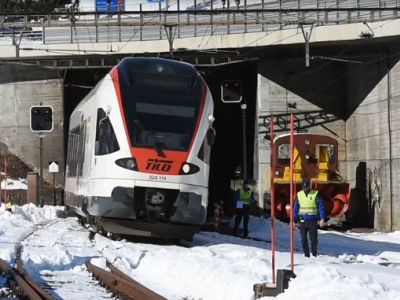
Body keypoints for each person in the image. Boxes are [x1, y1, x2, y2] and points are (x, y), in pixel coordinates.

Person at [293, 178, 326, 257]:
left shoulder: (315, 194)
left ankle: (314, 253)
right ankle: (306, 254)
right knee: (303, 239)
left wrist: (322, 218)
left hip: (312, 220)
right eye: (304, 187)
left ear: (309, 186)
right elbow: (295, 208)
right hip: (303, 220)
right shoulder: (299, 195)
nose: (305, 188)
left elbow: (321, 206)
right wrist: (293, 220)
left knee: (313, 238)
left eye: (306, 186)